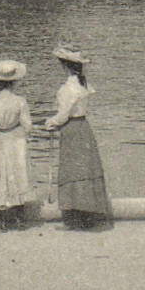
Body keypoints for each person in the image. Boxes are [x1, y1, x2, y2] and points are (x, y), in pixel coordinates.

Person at [42, 47, 112, 230]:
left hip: (72, 129)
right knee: (86, 170)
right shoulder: (83, 84)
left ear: (65, 66)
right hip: (84, 127)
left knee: (71, 171)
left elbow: (63, 115)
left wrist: (50, 123)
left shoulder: (67, 88)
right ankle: (90, 215)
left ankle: (73, 219)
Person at [0, 60, 34, 232]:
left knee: (0, 175)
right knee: (17, 174)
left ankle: (2, 219)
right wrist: (26, 134)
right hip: (15, 138)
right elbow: (27, 125)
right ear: (14, 82)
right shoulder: (20, 101)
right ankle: (19, 216)